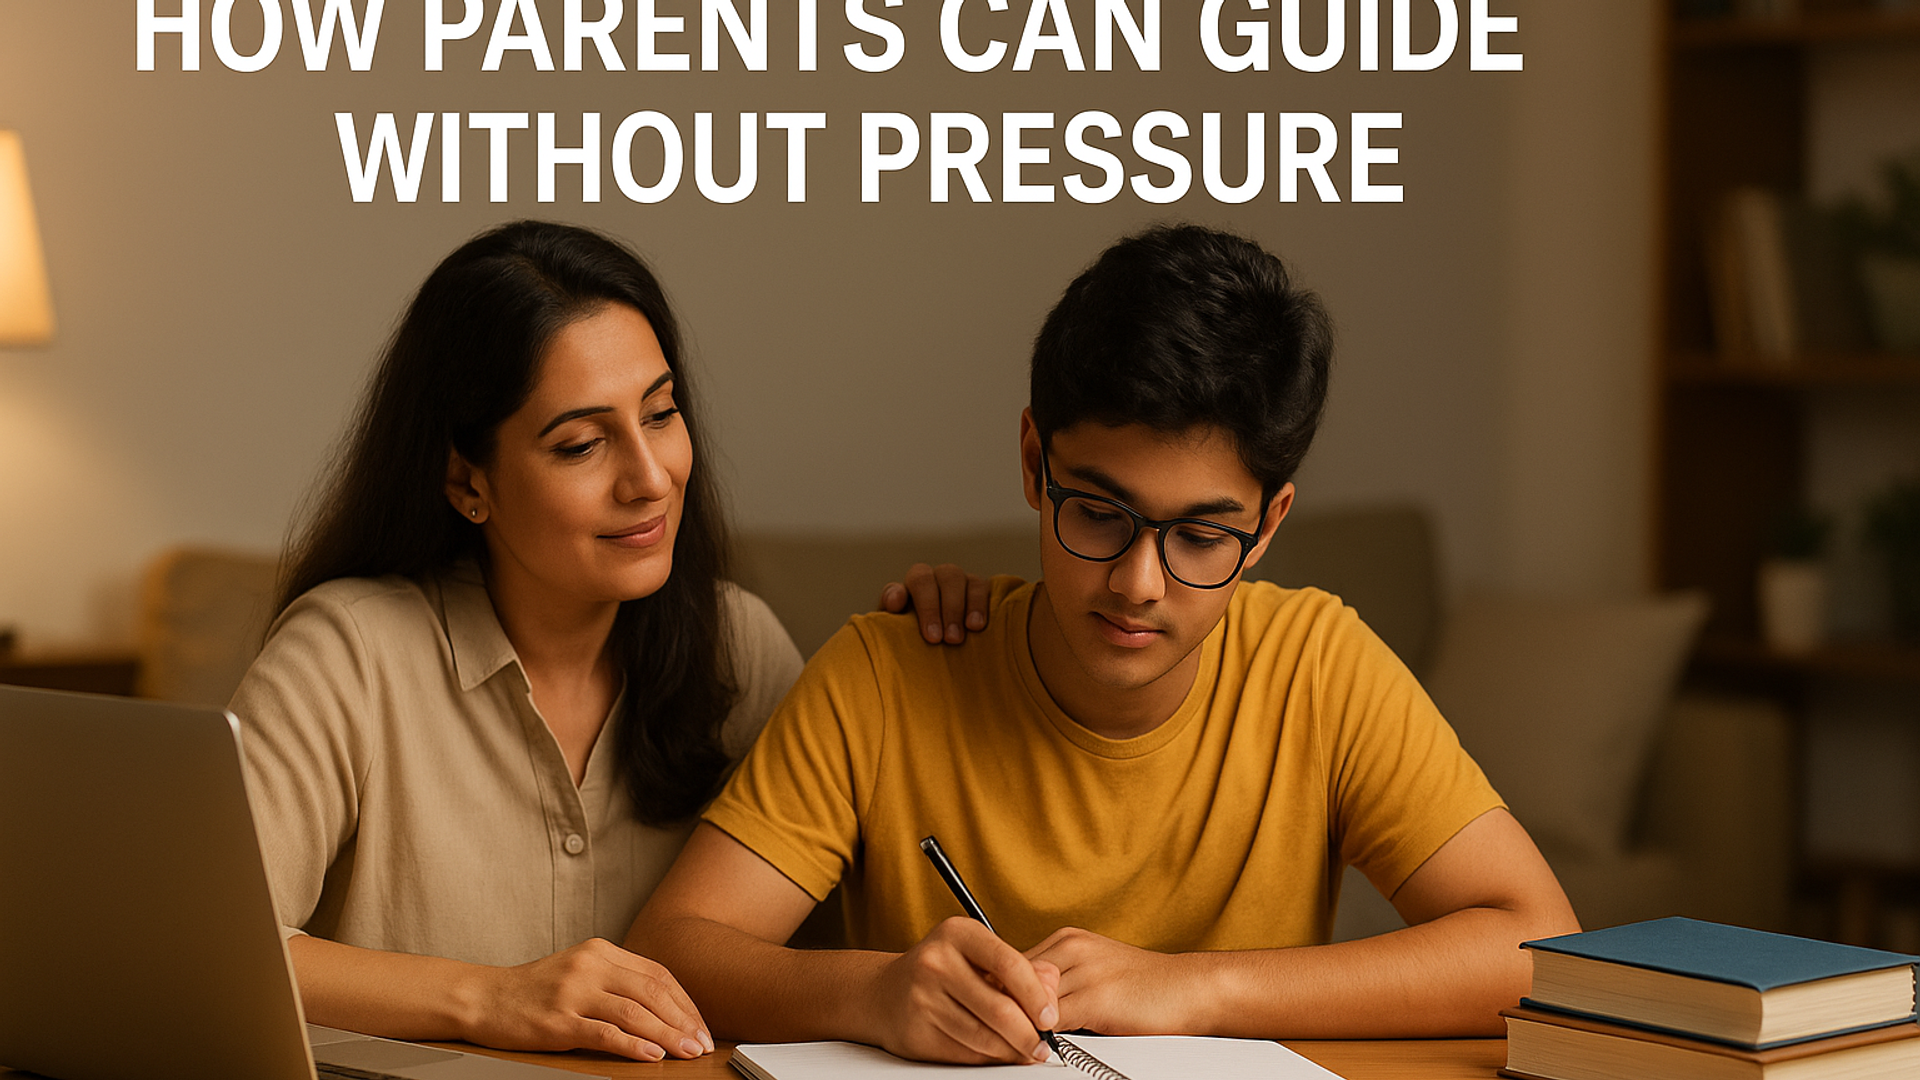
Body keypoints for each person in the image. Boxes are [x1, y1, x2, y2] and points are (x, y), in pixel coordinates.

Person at [627, 224, 1582, 1064]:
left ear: (1270, 523)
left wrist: (1200, 989)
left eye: (1203, 537)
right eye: (1099, 513)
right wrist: (872, 993)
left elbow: (1536, 946)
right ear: (1035, 465)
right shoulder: (890, 671)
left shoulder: (1318, 666)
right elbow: (676, 946)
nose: (1138, 583)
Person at [228, 221, 982, 1064]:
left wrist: (944, 656)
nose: (650, 477)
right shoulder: (347, 655)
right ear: (466, 481)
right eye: (582, 444)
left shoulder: (742, 646)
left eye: (660, 414)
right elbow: (209, 947)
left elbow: (881, 918)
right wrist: (492, 996)